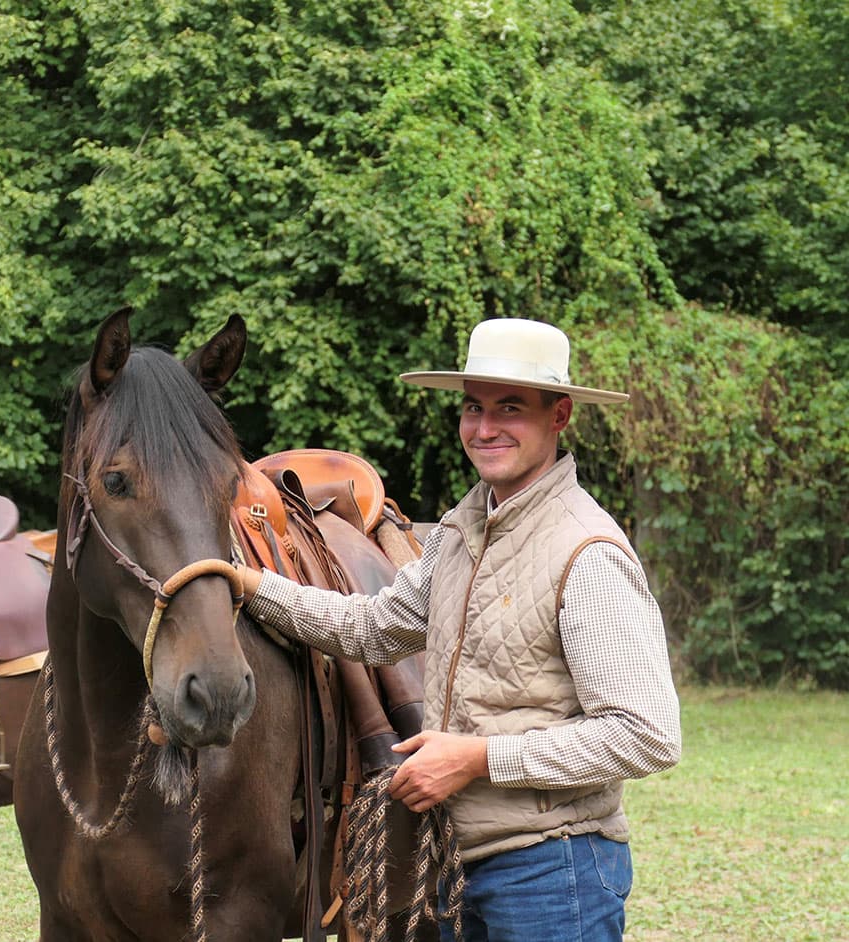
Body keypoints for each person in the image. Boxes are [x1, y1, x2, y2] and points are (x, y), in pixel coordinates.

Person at [239, 318, 681, 942]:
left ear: (559, 415)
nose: (484, 427)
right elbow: (376, 627)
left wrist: (476, 758)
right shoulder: (460, 531)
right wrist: (252, 585)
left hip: (553, 872)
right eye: (474, 407)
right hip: (453, 862)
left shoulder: (585, 552)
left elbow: (646, 735)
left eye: (510, 408)